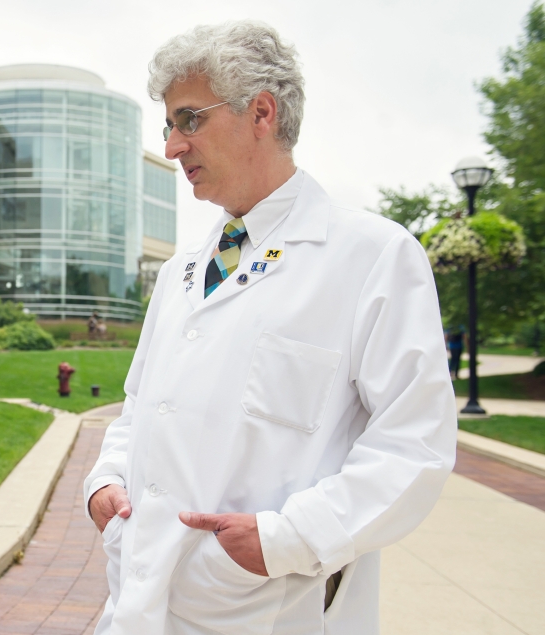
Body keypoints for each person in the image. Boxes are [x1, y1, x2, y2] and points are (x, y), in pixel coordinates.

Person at [84, 21, 456, 634]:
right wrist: (107, 479)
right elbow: (140, 407)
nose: (173, 146)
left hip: (266, 603)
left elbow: (413, 444)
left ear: (261, 112)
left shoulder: (371, 256)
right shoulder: (182, 270)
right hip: (143, 599)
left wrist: (289, 538)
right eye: (168, 127)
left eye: (189, 120)